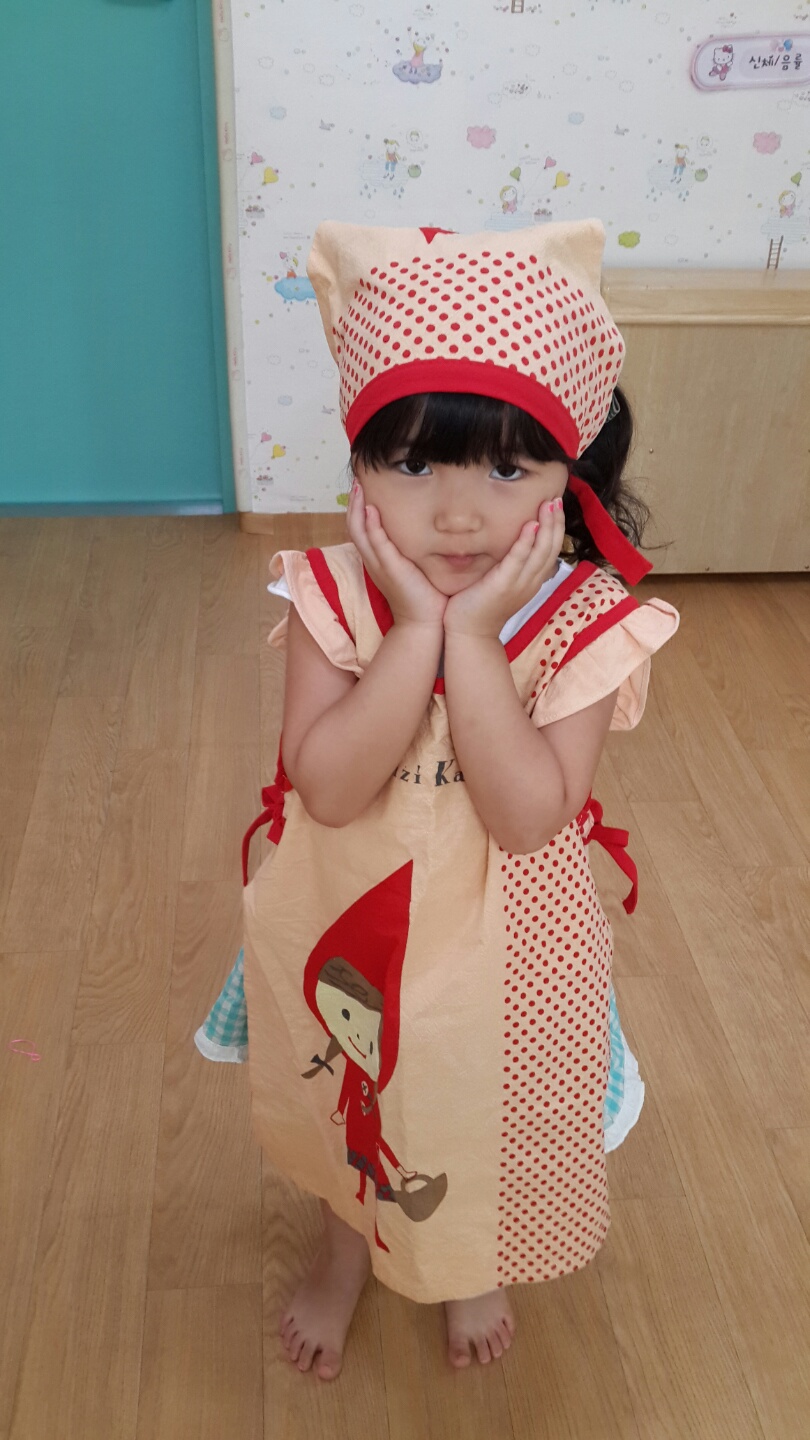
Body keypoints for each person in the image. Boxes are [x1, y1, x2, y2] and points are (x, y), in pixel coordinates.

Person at [196, 218, 679, 1379]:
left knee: (478, 1109)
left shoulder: (585, 620)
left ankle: (469, 1261)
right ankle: (345, 1249)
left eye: (509, 470)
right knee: (349, 1105)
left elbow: (528, 814)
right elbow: (328, 785)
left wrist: (471, 642)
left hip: (506, 952)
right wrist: (417, 632)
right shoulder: (329, 595)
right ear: (358, 468)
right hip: (348, 928)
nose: (459, 514)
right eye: (414, 465)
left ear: (569, 477)